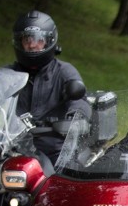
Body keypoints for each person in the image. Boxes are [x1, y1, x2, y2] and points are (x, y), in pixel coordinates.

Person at [9, 10, 89, 162]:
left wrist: (75, 121)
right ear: (20, 42)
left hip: (53, 149)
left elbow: (80, 101)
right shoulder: (7, 75)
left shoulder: (64, 71)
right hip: (10, 146)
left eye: (39, 40)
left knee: (61, 183)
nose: (32, 45)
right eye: (27, 40)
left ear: (49, 41)